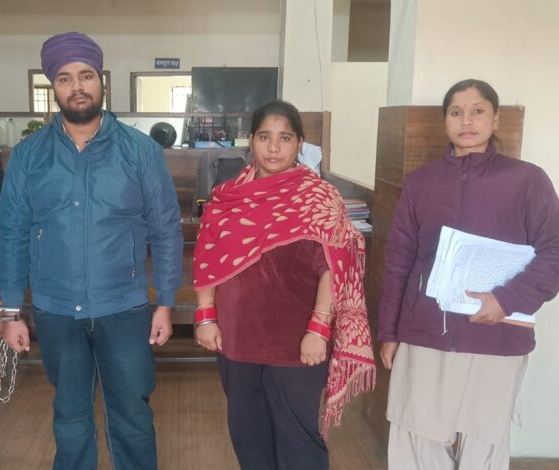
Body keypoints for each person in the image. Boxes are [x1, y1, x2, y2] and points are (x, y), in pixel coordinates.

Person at [0, 32, 183, 470]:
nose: (76, 86)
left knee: (132, 415)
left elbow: (166, 230)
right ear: (53, 87)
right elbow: (12, 233)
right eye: (64, 78)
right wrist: (10, 310)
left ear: (101, 82)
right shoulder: (28, 156)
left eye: (86, 75)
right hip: (56, 310)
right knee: (70, 414)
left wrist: (165, 303)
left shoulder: (140, 152)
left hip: (124, 308)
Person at [378, 79, 559, 470]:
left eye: (478, 111)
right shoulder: (421, 183)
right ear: (445, 121)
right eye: (456, 112)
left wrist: (506, 300)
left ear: (495, 119)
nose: (467, 121)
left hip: (496, 332)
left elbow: (554, 252)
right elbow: (398, 260)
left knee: (483, 440)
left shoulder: (528, 181)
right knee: (417, 434)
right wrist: (390, 331)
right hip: (426, 331)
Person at [193, 99, 376, 470]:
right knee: (248, 433)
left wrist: (319, 328)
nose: (274, 147)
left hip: (297, 341)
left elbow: (334, 267)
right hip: (237, 337)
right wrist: (206, 316)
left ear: (300, 144)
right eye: (265, 137)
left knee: (298, 439)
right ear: (251, 141)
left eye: (285, 138)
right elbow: (208, 258)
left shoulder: (319, 197)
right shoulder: (227, 197)